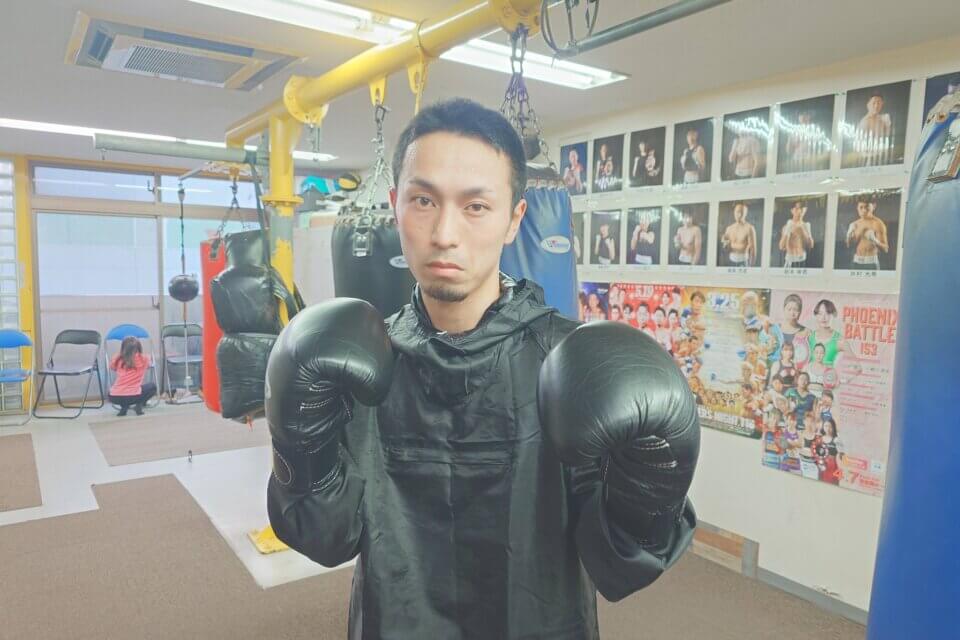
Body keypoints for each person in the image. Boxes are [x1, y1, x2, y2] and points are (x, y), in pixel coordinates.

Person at [265, 99, 699, 640]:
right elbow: (323, 536)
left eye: (475, 206)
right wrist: (296, 445)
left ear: (514, 220)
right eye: (424, 200)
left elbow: (622, 561)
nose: (445, 233)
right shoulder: (361, 360)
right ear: (396, 206)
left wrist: (651, 482)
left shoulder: (569, 366)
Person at [107, 336, 156, 417]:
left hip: (114, 396)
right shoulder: (144, 359)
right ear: (139, 347)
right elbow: (150, 365)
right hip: (134, 396)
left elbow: (112, 367)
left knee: (113, 391)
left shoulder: (117, 359)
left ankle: (124, 407)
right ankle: (139, 404)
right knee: (152, 386)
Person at [845, 194, 889, 270]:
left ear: (873, 206)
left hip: (871, 263)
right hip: (856, 262)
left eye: (867, 207)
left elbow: (885, 249)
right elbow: (848, 245)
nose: (864, 210)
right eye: (861, 207)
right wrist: (848, 235)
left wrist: (874, 240)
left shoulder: (878, 224)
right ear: (857, 208)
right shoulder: (855, 224)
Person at [778, 200, 815, 269]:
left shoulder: (806, 226)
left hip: (803, 259)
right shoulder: (787, 226)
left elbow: (811, 246)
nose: (799, 211)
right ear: (792, 210)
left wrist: (809, 233)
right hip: (790, 260)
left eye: (801, 208)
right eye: (797, 208)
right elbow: (781, 246)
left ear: (805, 210)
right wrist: (787, 230)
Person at [720, 202, 758, 267]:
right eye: (737, 212)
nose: (739, 215)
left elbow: (753, 252)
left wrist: (750, 268)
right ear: (734, 212)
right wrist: (724, 243)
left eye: (742, 212)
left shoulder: (749, 228)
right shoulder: (729, 228)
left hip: (743, 262)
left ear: (745, 213)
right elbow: (726, 248)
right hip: (730, 261)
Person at [777, 294, 809, 365]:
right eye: (789, 309)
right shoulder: (775, 329)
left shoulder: (806, 332)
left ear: (800, 312)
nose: (792, 313)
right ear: (784, 310)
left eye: (795, 310)